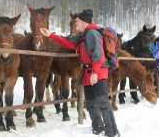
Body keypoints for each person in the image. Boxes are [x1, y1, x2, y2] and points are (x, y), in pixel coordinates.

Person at [40, 9, 120, 137]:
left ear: (83, 21)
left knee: (102, 102)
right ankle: (98, 129)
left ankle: (112, 132)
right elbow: (68, 41)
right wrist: (51, 35)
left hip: (97, 72)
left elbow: (98, 56)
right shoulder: (84, 34)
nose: (75, 22)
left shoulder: (92, 34)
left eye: (77, 21)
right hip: (88, 72)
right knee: (91, 103)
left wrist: (94, 72)